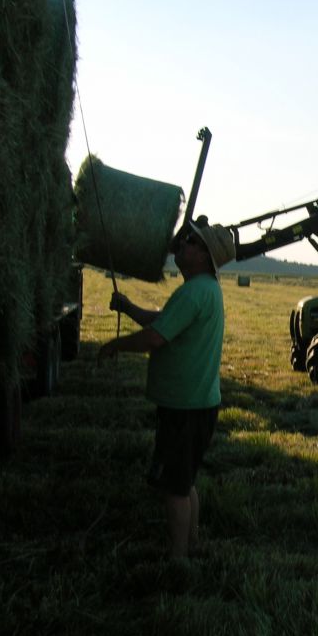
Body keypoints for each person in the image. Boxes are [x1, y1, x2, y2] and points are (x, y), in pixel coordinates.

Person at [98, 215, 235, 558]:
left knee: (174, 488)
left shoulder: (193, 293)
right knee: (184, 481)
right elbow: (163, 321)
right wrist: (129, 307)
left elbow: (156, 337)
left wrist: (115, 345)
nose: (182, 244)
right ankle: (191, 543)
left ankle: (177, 559)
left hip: (184, 406)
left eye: (191, 241)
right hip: (197, 403)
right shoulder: (203, 290)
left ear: (204, 257)